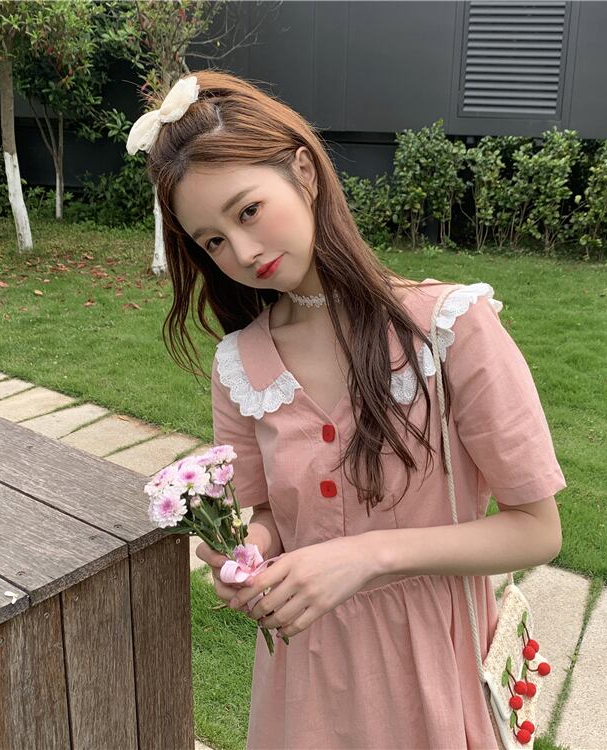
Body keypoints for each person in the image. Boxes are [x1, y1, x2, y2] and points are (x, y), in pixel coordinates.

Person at [131, 69, 567, 749]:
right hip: (306, 681)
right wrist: (249, 553)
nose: (241, 252)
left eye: (248, 211)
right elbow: (271, 516)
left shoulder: (450, 328)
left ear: (304, 172)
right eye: (211, 241)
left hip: (435, 669)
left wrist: (365, 557)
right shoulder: (240, 366)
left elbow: (537, 530)